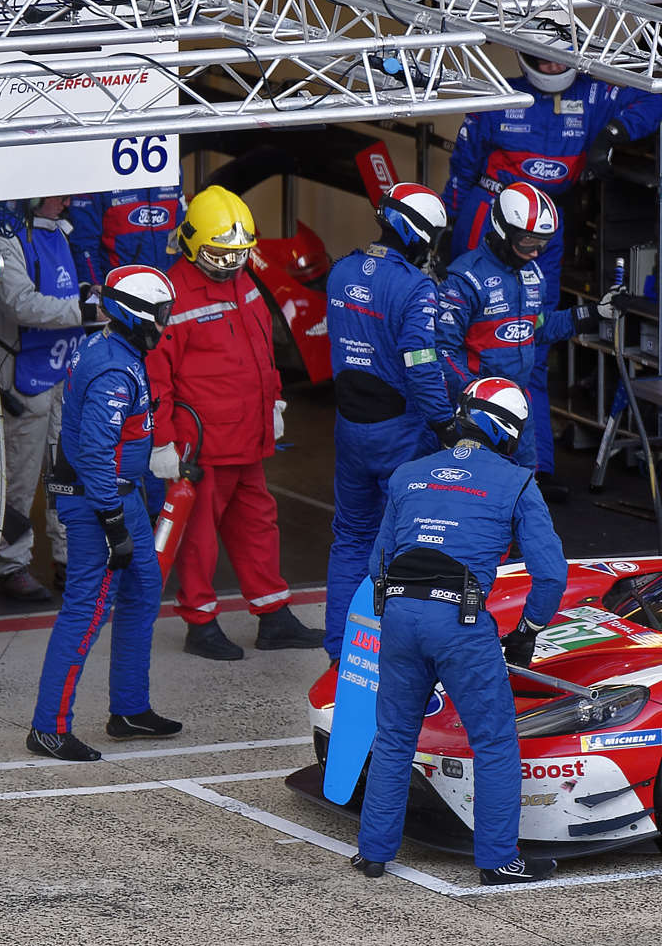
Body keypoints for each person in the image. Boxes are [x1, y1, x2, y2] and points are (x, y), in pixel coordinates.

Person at [349, 376, 567, 887]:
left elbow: (376, 562)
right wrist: (528, 629)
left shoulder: (409, 474)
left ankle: (373, 853)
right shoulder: (516, 481)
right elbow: (551, 572)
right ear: (507, 431)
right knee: (493, 741)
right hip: (461, 622)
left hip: (400, 616)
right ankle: (498, 860)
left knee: (395, 737)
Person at [155, 185, 321, 661]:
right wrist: (162, 444)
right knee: (199, 538)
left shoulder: (243, 281)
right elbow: (157, 379)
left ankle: (273, 614)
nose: (228, 264)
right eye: (218, 255)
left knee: (258, 524)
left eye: (237, 254)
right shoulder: (174, 296)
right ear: (189, 243)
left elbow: (260, 350)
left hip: (247, 436)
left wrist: (273, 403)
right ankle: (200, 622)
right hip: (202, 445)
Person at [28, 265, 180, 761]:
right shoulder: (115, 367)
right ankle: (48, 729)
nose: (165, 323)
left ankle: (130, 710)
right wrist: (114, 523)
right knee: (88, 610)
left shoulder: (115, 349)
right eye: (160, 314)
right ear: (136, 315)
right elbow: (95, 453)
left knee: (143, 588)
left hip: (119, 494)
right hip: (99, 501)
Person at [324, 182, 458, 661]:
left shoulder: (340, 272)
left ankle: (342, 653)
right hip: (401, 432)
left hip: (348, 425)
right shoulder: (414, 285)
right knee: (411, 541)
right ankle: (393, 653)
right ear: (419, 233)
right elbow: (421, 363)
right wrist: (445, 424)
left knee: (350, 536)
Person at [441, 32, 662, 251]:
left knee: (542, 292)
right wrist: (450, 220)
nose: (556, 67)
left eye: (562, 57)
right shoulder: (500, 97)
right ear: (528, 58)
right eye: (546, 60)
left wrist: (610, 135)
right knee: (477, 287)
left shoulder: (591, 94)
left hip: (548, 217)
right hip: (493, 210)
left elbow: (655, 101)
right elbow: (463, 168)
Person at [444, 182, 603, 487]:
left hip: (519, 408)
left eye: (542, 244)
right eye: (527, 241)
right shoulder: (465, 279)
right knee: (475, 497)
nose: (534, 252)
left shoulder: (533, 275)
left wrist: (592, 314)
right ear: (503, 230)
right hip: (476, 413)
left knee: (523, 494)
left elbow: (537, 328)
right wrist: (473, 397)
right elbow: (442, 351)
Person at [0, 197, 94, 606]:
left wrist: (88, 296)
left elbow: (65, 294)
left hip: (63, 373)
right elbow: (20, 304)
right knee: (18, 479)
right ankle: (9, 566)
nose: (67, 201)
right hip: (21, 381)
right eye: (57, 193)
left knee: (67, 472)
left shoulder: (60, 231)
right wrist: (85, 307)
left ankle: (68, 558)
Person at [68, 184, 184, 277]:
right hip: (119, 290)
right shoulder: (98, 168)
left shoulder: (170, 163)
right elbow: (84, 243)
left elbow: (180, 234)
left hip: (168, 287)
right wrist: (96, 288)